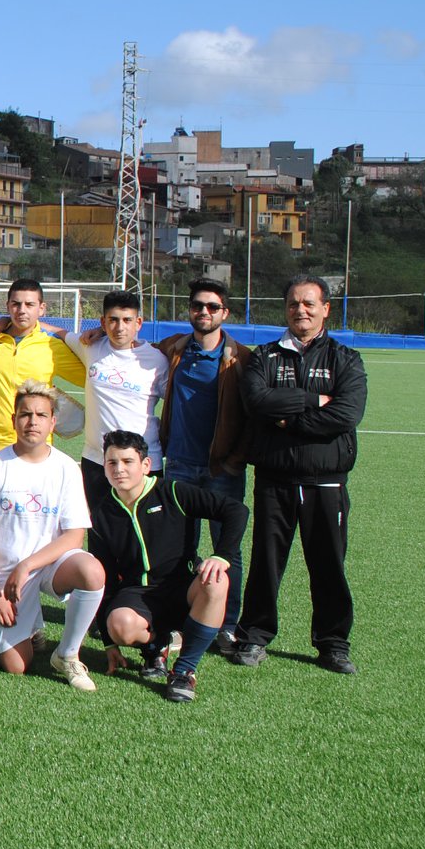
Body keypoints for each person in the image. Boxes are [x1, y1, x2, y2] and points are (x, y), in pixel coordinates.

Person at [232, 275, 368, 675]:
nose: (301, 311)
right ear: (285, 308)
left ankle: (333, 644)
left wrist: (288, 421)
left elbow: (346, 415)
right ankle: (254, 635)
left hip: (327, 482)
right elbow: (257, 402)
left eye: (309, 304)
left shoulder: (345, 359)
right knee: (267, 563)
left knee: (328, 564)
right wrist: (313, 402)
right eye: (293, 304)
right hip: (276, 480)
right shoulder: (265, 356)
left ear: (326, 309)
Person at [0, 380, 106, 691]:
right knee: (18, 667)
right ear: (14, 419)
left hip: (49, 564)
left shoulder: (66, 467)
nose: (32, 422)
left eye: (41, 415)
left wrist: (26, 566)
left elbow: (74, 536)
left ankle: (67, 654)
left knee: (92, 571)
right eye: (25, 414)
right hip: (5, 578)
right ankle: (32, 626)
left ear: (53, 421)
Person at [89, 429, 248, 703]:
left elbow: (236, 510)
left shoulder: (172, 492)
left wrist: (222, 555)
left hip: (183, 585)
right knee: (120, 625)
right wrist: (108, 640)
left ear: (146, 465)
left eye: (127, 462)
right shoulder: (102, 514)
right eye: (112, 463)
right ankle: (155, 646)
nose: (119, 469)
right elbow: (105, 581)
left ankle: (185, 670)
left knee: (217, 580)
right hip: (138, 592)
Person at [156, 278, 252, 654]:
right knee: (180, 549)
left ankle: (227, 625)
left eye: (213, 307)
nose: (204, 312)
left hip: (220, 471)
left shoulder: (241, 358)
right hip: (178, 464)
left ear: (224, 313)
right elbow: (127, 341)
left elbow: (252, 416)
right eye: (198, 305)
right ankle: (183, 618)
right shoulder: (174, 348)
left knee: (228, 550)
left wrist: (234, 461)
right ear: (190, 310)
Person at [63, 289, 170, 495]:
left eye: (127, 320)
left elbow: (175, 403)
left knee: (144, 527)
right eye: (113, 320)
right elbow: (58, 333)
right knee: (99, 526)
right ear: (103, 322)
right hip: (97, 460)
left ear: (138, 322)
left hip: (143, 461)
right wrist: (6, 322)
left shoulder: (157, 361)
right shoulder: (90, 347)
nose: (120, 327)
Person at [0, 279, 85, 456]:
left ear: (41, 308)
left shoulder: (52, 346)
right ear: (8, 306)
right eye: (16, 304)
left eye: (29, 304)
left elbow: (91, 377)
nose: (21, 310)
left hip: (37, 444)